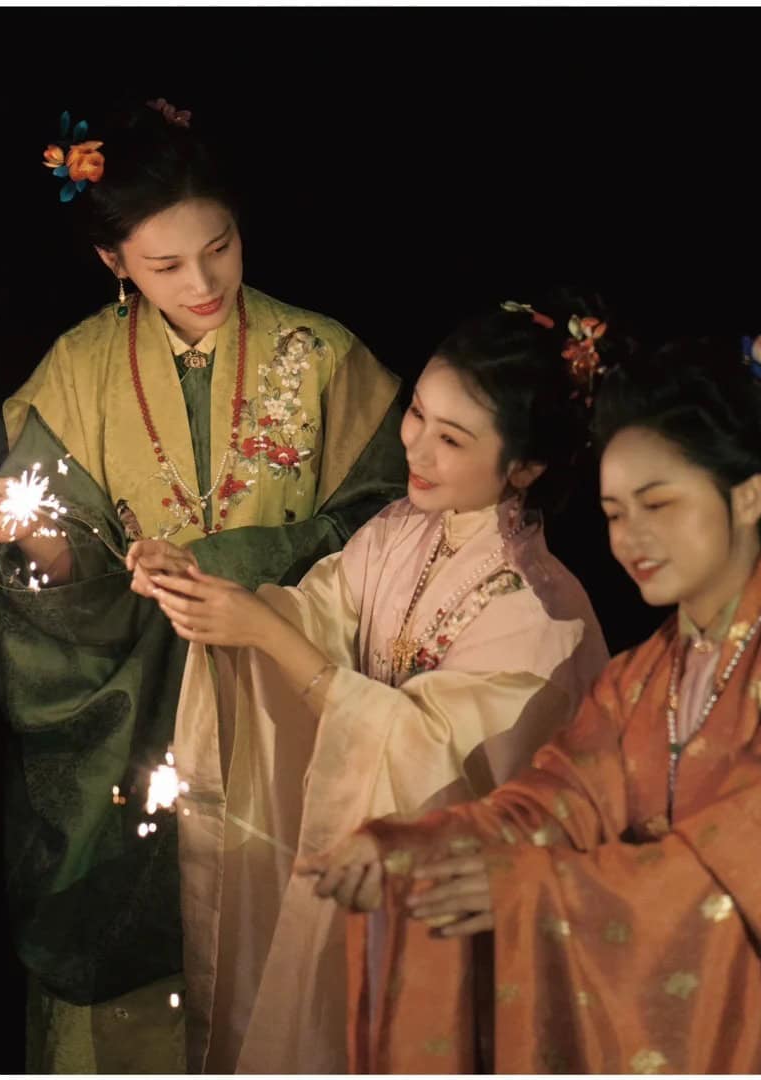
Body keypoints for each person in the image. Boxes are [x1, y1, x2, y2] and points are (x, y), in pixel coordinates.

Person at [0, 99, 407, 1072]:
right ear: (114, 263)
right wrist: (36, 541)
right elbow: (62, 583)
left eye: (219, 248)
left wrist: (236, 564)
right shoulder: (73, 373)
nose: (201, 283)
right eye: (164, 265)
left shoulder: (324, 358)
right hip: (134, 741)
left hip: (291, 725)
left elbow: (391, 532)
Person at [306, 335, 761, 1074]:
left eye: (658, 504)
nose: (632, 538)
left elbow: (738, 871)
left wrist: (535, 890)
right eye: (614, 511)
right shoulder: (640, 678)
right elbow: (546, 807)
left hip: (758, 1016)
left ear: (747, 496)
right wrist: (408, 849)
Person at [160, 299, 612, 1072]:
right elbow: (317, 615)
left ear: (525, 466)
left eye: (452, 438)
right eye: (416, 414)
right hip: (352, 871)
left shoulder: (543, 615)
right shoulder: (397, 529)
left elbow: (430, 755)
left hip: (451, 914)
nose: (418, 447)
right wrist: (205, 599)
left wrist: (261, 631)